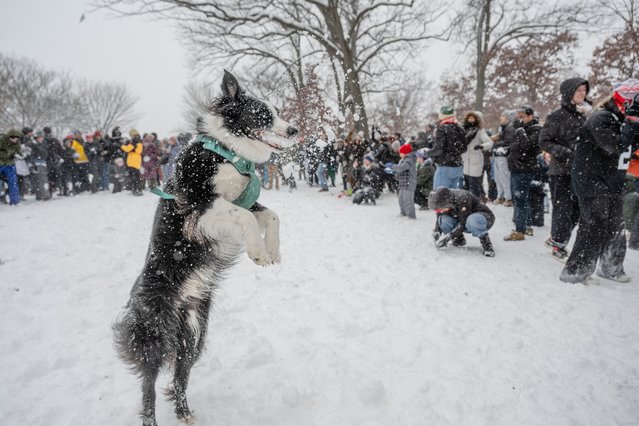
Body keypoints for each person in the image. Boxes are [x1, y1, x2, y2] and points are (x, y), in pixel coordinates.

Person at [559, 82, 639, 284]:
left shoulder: (623, 120)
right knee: (593, 225)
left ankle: (611, 267)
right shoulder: (601, 118)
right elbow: (614, 145)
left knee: (615, 226)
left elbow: (632, 145)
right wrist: (632, 122)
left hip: (613, 181)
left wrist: (633, 124)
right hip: (591, 180)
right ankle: (575, 271)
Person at [539, 77, 591, 260]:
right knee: (563, 209)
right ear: (569, 92)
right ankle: (559, 244)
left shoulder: (583, 116)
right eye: (579, 90)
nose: (582, 94)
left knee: (577, 210)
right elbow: (544, 141)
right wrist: (568, 152)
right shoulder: (557, 115)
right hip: (560, 171)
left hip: (580, 171)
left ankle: (556, 238)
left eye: (584, 90)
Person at [504, 105, 541, 241]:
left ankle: (519, 230)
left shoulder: (535, 129)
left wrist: (519, 131)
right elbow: (515, 146)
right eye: (518, 117)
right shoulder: (522, 129)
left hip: (525, 168)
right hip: (516, 167)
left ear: (531, 116)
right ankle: (527, 226)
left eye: (522, 117)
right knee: (520, 198)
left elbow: (528, 147)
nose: (520, 119)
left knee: (520, 199)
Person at [428, 187, 495, 257]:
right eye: (437, 211)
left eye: (440, 209)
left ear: (446, 202)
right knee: (444, 220)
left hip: (483, 219)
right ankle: (459, 240)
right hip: (463, 219)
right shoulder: (442, 202)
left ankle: (487, 244)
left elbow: (463, 223)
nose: (440, 211)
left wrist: (448, 238)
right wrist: (437, 231)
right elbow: (440, 217)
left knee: (472, 220)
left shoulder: (462, 199)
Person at [430, 106, 468, 189]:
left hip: (445, 166)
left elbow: (439, 148)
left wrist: (427, 153)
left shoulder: (441, 128)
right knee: (453, 197)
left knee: (439, 196)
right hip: (458, 166)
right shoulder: (459, 128)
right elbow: (464, 148)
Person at [461, 111, 493, 199]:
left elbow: (490, 142)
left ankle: (475, 203)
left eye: (472, 118)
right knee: (466, 186)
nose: (470, 120)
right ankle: (466, 204)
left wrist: (481, 146)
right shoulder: (463, 131)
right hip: (465, 161)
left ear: (476, 119)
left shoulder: (480, 131)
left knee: (474, 185)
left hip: (475, 161)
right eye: (469, 118)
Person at [492, 110, 517, 206]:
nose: (500, 118)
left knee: (505, 177)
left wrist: (497, 142)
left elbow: (507, 142)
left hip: (504, 156)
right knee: (498, 178)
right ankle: (500, 196)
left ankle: (508, 198)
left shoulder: (510, 128)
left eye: (502, 117)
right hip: (497, 155)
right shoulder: (501, 128)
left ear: (507, 119)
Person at [387, 143, 417, 218]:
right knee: (401, 199)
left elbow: (402, 168)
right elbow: (401, 171)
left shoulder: (409, 160)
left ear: (405, 153)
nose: (399, 154)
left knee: (408, 201)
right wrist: (394, 172)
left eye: (401, 152)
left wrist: (392, 166)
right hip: (403, 184)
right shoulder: (403, 160)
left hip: (409, 183)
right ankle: (403, 213)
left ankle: (411, 215)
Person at [0, 129, 23, 205]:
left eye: (16, 138)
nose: (14, 139)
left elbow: (18, 152)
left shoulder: (17, 143)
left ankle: (14, 201)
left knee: (13, 183)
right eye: (12, 137)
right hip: (1, 164)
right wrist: (8, 154)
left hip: (10, 165)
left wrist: (19, 155)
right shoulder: (1, 140)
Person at [121, 129, 144, 196]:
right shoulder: (139, 141)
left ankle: (135, 190)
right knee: (136, 176)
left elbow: (127, 149)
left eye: (131, 135)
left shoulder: (134, 141)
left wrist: (122, 145)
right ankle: (138, 190)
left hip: (132, 161)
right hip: (136, 162)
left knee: (134, 177)